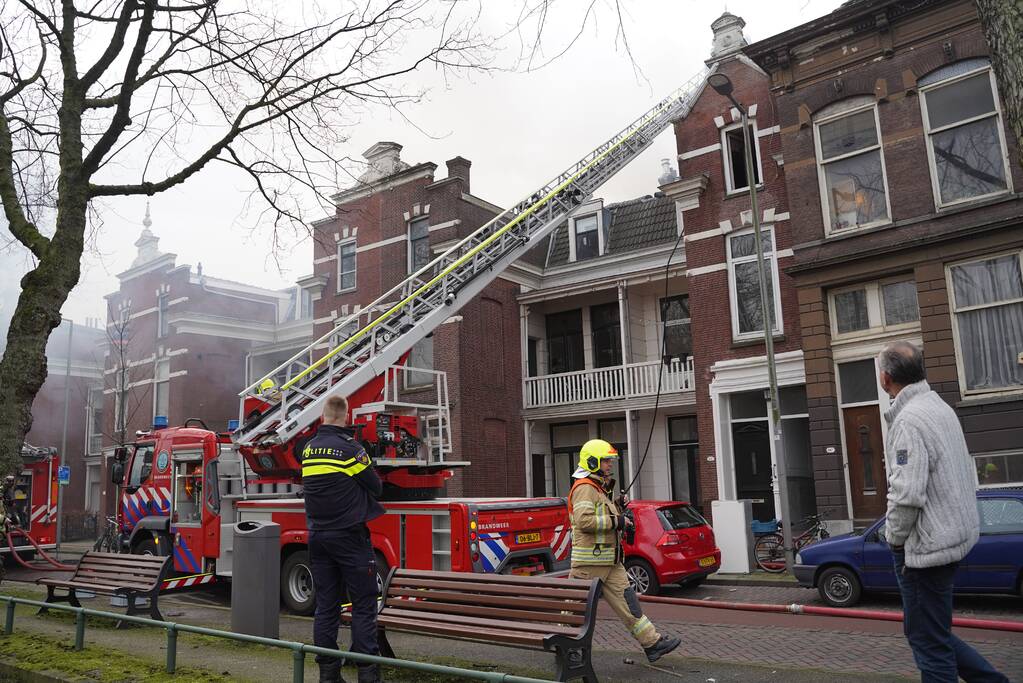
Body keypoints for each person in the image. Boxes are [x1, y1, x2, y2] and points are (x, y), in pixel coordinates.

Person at [878, 341, 1007, 683]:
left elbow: (906, 494)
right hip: (952, 538)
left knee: (928, 641)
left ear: (885, 378)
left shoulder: (908, 421)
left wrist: (893, 538)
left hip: (925, 551)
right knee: (933, 632)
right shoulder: (940, 408)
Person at [567, 438, 681, 663]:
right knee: (574, 610)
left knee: (630, 605)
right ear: (592, 462)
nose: (610, 464)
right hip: (590, 563)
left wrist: (618, 505)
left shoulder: (599, 488)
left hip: (610, 561)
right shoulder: (584, 488)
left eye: (610, 460)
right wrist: (618, 521)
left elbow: (600, 514)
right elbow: (584, 521)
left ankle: (652, 644)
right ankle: (565, 647)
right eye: (606, 460)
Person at [301, 395, 385, 683]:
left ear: (323, 416)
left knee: (326, 606)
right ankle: (368, 674)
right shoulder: (351, 449)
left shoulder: (309, 449)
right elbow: (375, 487)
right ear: (346, 417)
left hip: (318, 537)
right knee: (363, 605)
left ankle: (328, 675)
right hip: (349, 537)